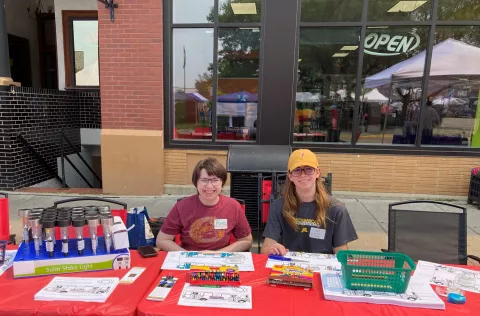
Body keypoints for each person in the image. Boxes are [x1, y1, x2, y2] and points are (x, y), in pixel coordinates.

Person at [261, 149, 358, 255]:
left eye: (308, 169)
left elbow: (341, 253)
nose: (303, 175)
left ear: (317, 172)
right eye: (297, 170)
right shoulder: (278, 206)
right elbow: (266, 249)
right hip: (288, 267)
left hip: (322, 268)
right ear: (290, 176)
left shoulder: (336, 209)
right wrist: (271, 249)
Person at [156, 158, 253, 251]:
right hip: (189, 258)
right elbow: (162, 240)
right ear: (196, 182)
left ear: (222, 182)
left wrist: (218, 253)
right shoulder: (182, 206)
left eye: (215, 180)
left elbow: (247, 241)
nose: (209, 186)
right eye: (204, 180)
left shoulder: (233, 206)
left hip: (221, 258)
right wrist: (186, 254)